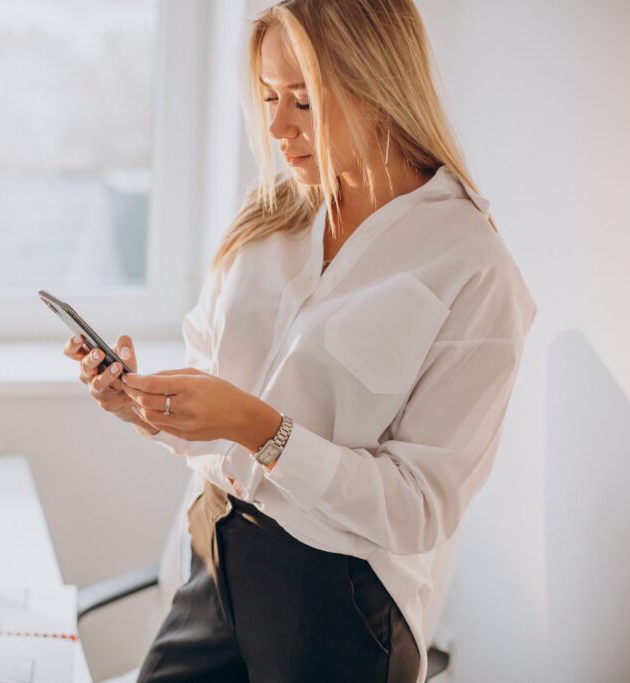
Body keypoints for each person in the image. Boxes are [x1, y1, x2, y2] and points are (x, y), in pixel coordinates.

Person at [63, 0, 536, 681]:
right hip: (214, 551)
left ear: (380, 86)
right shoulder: (269, 219)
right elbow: (214, 405)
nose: (277, 127)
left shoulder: (472, 268)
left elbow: (419, 507)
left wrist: (262, 429)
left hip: (335, 602)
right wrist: (142, 402)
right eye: (267, 97)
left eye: (303, 101)